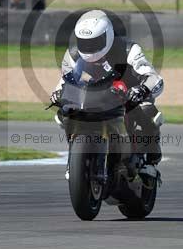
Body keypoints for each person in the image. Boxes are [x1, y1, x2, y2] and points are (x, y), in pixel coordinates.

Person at [50, 10, 164, 164]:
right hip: (92, 95)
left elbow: (152, 76)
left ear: (107, 35)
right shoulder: (72, 55)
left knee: (147, 110)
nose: (89, 47)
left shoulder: (129, 49)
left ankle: (151, 154)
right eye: (84, 42)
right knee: (64, 112)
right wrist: (58, 93)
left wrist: (142, 89)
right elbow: (65, 81)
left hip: (128, 94)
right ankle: (77, 154)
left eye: (94, 42)